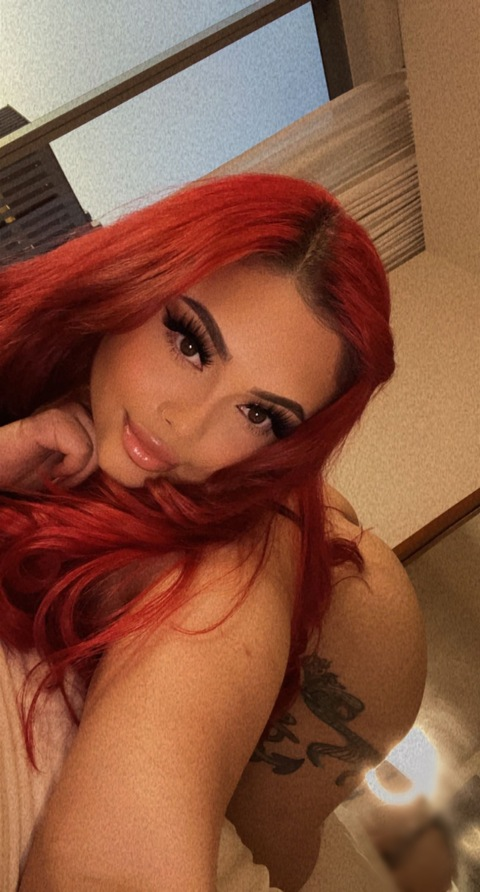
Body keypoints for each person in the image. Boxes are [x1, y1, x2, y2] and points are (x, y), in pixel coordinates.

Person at [0, 172, 427, 891]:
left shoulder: (234, 559)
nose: (186, 424)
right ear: (135, 277)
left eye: (260, 415)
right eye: (191, 343)